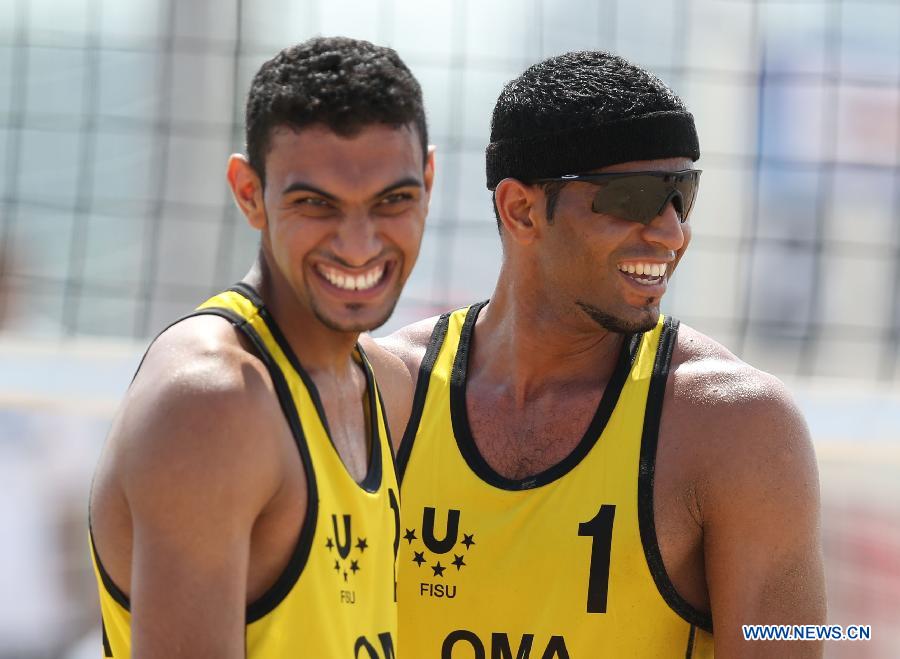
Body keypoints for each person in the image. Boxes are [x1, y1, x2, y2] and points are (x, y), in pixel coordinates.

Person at [374, 51, 825, 657]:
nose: (670, 232)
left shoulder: (738, 427)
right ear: (522, 210)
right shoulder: (387, 395)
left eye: (680, 195)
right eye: (634, 197)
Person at [88, 36, 433, 658]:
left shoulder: (381, 383)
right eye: (315, 204)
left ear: (428, 182)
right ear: (249, 193)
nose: (358, 245)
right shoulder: (212, 403)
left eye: (392, 200)